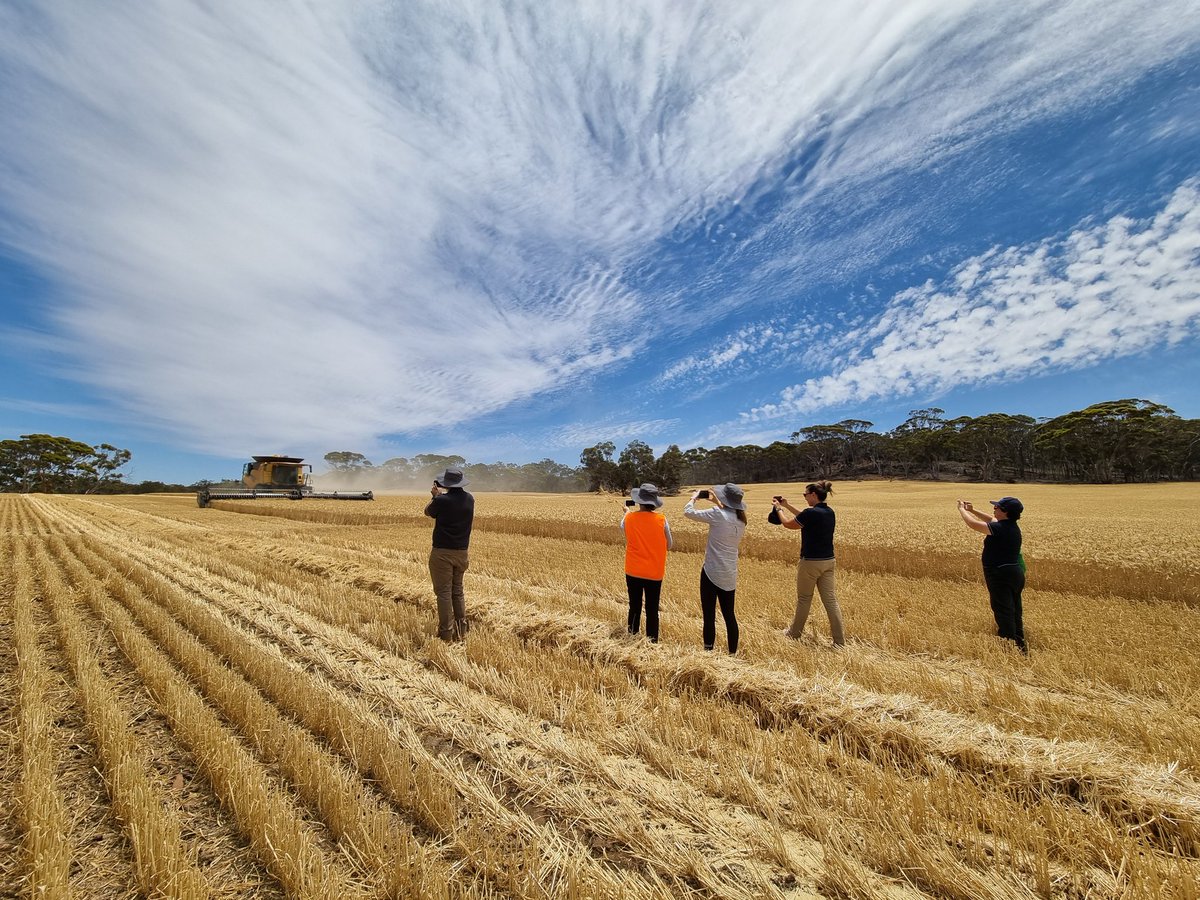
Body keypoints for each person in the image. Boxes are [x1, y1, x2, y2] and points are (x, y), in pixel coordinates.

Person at [774, 481, 845, 647]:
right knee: (831, 601)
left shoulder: (810, 514)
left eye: (805, 494)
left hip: (810, 563)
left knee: (804, 598)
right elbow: (805, 518)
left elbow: (789, 524)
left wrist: (779, 509)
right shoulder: (829, 512)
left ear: (813, 494)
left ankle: (794, 634)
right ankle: (839, 641)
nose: (805, 497)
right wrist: (788, 505)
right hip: (829, 561)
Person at [957, 496, 1027, 653]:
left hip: (1000, 574)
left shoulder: (1001, 528)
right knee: (1015, 609)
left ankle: (1008, 648)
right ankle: (1020, 644)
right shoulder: (1010, 526)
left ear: (1005, 512)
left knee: (1003, 610)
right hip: (1014, 573)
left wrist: (962, 510)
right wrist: (973, 510)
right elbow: (991, 519)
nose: (994, 509)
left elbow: (973, 524)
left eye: (997, 507)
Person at [683, 483, 747, 653]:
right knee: (729, 616)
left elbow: (688, 512)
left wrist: (693, 498)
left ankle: (708, 650)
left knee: (709, 616)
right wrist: (717, 502)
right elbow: (726, 514)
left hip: (711, 572)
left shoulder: (717, 514)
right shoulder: (741, 520)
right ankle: (732, 653)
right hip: (730, 573)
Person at [424, 466, 475, 641]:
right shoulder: (470, 499)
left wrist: (435, 496)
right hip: (462, 553)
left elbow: (428, 512)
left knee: (444, 593)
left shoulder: (442, 501)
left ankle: (446, 633)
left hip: (442, 553)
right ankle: (461, 630)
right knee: (457, 591)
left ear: (446, 483)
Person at [621, 483, 673, 642]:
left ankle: (632, 636)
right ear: (654, 503)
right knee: (652, 609)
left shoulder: (629, 518)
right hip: (654, 573)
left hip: (633, 570)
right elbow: (669, 544)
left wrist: (627, 512)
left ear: (639, 501)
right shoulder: (662, 519)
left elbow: (623, 527)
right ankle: (652, 642)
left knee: (634, 606)